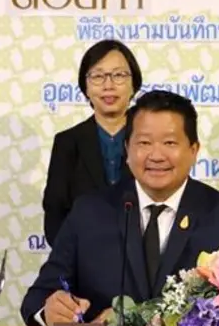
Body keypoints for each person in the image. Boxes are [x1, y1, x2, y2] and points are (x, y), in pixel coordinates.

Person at [21, 90, 219, 326]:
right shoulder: (89, 212)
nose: (156, 156)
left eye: (169, 143)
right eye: (144, 143)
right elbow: (38, 297)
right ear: (127, 149)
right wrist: (50, 311)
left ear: (194, 150)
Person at [42, 39, 143, 246]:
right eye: (98, 76)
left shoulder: (150, 139)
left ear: (134, 85)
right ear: (85, 87)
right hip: (84, 257)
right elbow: (55, 213)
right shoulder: (67, 142)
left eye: (118, 75)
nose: (108, 85)